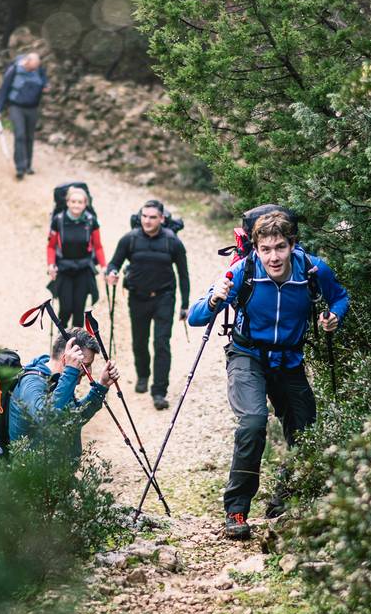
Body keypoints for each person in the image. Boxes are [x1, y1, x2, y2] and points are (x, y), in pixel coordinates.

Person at [187, 209, 349, 539]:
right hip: (247, 355)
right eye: (266, 249)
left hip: (289, 360)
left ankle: (285, 500)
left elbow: (340, 298)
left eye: (280, 248)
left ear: (293, 245)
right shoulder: (241, 272)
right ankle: (236, 509)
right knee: (253, 423)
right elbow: (195, 317)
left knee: (305, 431)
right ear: (256, 248)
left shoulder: (313, 270)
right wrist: (216, 299)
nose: (273, 257)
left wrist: (334, 316)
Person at [105, 199, 190, 411]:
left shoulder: (173, 242)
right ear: (140, 216)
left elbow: (183, 275)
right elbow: (114, 263)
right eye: (144, 216)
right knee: (139, 341)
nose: (147, 221)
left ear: (161, 218)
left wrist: (185, 304)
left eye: (152, 217)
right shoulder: (130, 240)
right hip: (138, 297)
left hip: (164, 297)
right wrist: (112, 273)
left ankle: (159, 391)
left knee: (162, 343)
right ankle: (142, 375)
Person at [7, 326, 119, 458]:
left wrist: (101, 386)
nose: (89, 372)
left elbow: (73, 419)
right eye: (86, 365)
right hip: (32, 475)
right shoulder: (32, 384)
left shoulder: (60, 380)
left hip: (58, 473)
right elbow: (46, 418)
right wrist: (71, 372)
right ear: (66, 358)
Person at [47, 186, 106, 328]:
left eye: (80, 202)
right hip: (64, 269)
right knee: (65, 309)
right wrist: (51, 264)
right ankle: (62, 341)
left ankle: (78, 345)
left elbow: (98, 246)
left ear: (86, 204)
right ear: (67, 202)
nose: (76, 205)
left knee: (79, 312)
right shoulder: (58, 220)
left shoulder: (91, 221)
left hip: (84, 269)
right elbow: (51, 246)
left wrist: (104, 266)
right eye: (73, 201)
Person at [0, 50, 48, 180]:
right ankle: (20, 168)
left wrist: (45, 85)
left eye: (36, 67)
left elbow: (43, 78)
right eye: (32, 67)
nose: (34, 70)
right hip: (16, 106)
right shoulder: (14, 70)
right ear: (27, 62)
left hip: (32, 108)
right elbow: (4, 89)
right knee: (20, 135)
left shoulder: (38, 70)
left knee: (29, 136)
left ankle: (28, 166)